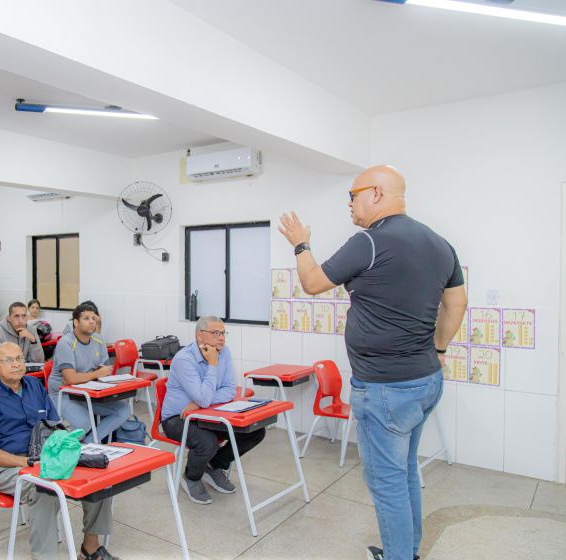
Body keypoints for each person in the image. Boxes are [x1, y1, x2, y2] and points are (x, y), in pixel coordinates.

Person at [277, 165, 467, 560]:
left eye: (353, 195)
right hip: (427, 380)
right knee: (405, 472)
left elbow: (312, 283)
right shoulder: (440, 243)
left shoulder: (369, 241)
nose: (349, 203)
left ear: (376, 194)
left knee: (388, 482)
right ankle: (406, 551)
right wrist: (441, 350)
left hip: (385, 388)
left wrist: (300, 244)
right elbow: (456, 303)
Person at [0, 342, 119, 560]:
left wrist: (72, 446)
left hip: (47, 455)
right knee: (45, 491)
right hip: (9, 466)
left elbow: (54, 424)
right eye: (8, 360)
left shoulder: (34, 386)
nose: (16, 364)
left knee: (97, 477)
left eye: (19, 358)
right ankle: (43, 557)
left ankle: (90, 549)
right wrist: (26, 464)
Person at [161, 315, 266, 505]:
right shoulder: (184, 359)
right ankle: (191, 477)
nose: (221, 338)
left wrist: (201, 403)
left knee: (256, 430)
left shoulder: (223, 352)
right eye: (215, 333)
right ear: (199, 336)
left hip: (209, 412)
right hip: (177, 418)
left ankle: (214, 465)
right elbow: (203, 397)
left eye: (223, 333)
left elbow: (229, 390)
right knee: (207, 442)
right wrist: (212, 363)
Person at [48, 302, 129, 443]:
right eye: (86, 318)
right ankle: (66, 449)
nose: (92, 322)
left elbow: (106, 371)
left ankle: (87, 443)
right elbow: (73, 379)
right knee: (83, 422)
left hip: (88, 392)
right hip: (63, 394)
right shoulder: (65, 343)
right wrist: (93, 374)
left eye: (93, 318)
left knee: (123, 410)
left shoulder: (98, 339)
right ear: (76, 322)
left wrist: (81, 377)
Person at [0, 302, 44, 394]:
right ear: (9, 318)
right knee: (13, 396)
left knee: (37, 390)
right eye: (16, 316)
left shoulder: (31, 330)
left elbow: (38, 361)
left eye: (24, 316)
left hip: (19, 377)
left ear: (27, 317)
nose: (20, 320)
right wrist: (8, 368)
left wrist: (33, 340)